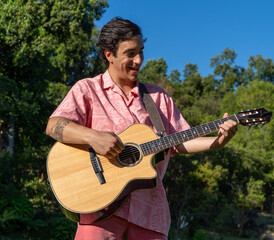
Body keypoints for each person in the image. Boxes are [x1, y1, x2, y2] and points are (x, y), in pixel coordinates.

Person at [46, 17, 238, 240]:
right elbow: (54, 125)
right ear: (109, 54)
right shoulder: (88, 89)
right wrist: (93, 137)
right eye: (130, 53)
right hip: (100, 210)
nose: (139, 60)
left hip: (150, 216)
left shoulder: (158, 98)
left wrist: (218, 142)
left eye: (141, 52)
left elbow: (178, 141)